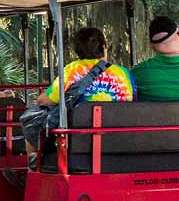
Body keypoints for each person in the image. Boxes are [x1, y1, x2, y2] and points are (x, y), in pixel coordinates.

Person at [19, 27, 134, 174]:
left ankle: (33, 171)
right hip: (118, 141)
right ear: (104, 47)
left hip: (78, 144)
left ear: (77, 50)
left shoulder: (72, 71)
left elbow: (45, 100)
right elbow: (131, 100)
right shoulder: (124, 74)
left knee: (32, 121)